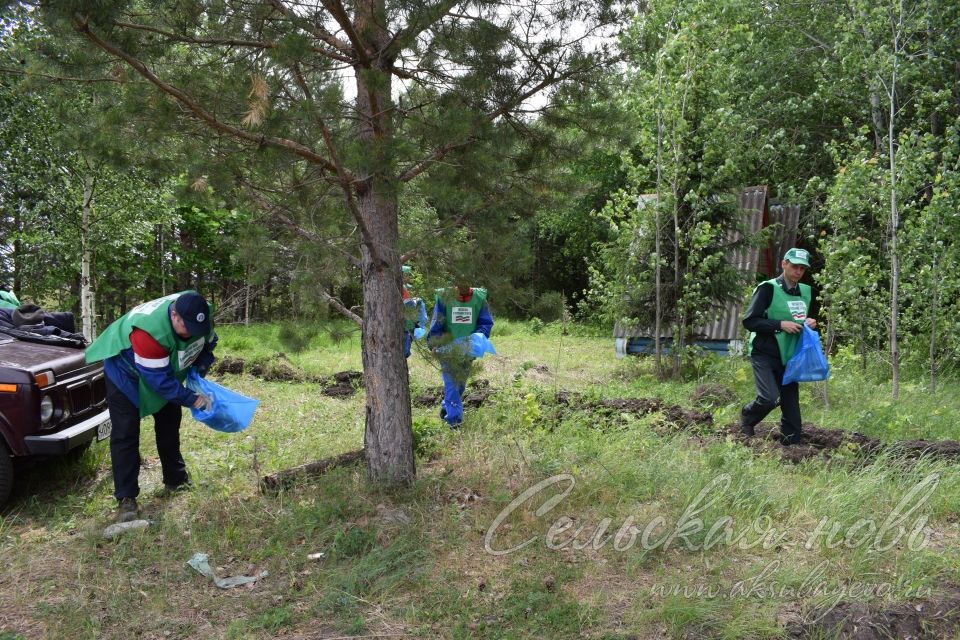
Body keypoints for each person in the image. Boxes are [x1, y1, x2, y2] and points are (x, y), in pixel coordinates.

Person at [85, 291, 217, 522]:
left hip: (163, 367)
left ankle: (176, 479)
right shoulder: (148, 333)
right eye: (187, 328)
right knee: (126, 432)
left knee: (169, 421)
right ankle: (126, 499)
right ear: (174, 315)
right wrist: (193, 399)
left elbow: (208, 343)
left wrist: (202, 365)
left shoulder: (200, 313)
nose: (191, 334)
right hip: (125, 371)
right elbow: (161, 383)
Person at [741, 248, 818, 445]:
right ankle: (747, 418)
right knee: (769, 398)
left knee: (791, 407)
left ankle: (791, 447)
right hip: (765, 352)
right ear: (784, 264)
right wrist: (779, 324)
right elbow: (750, 321)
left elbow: (808, 319)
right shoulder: (768, 288)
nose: (798, 271)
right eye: (794, 266)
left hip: (791, 355)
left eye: (802, 268)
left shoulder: (807, 292)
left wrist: (811, 322)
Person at [428, 279, 494, 427]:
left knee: (460, 384)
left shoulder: (479, 298)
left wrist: (476, 338)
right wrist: (434, 342)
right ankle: (454, 421)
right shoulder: (444, 297)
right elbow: (437, 321)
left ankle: (446, 407)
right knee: (452, 382)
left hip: (469, 348)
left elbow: (485, 322)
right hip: (447, 348)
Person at [401, 265, 427, 358]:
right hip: (406, 320)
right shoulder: (401, 287)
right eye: (407, 275)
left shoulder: (407, 287)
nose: (408, 277)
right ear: (402, 275)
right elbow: (408, 306)